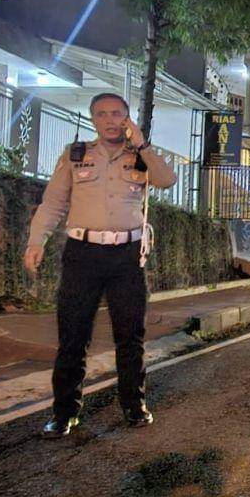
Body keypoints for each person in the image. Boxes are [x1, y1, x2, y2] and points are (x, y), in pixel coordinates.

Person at [24, 93, 177, 437]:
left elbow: (167, 180)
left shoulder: (140, 156)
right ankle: (64, 413)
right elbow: (53, 203)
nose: (110, 120)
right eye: (102, 114)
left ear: (127, 119)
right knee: (73, 336)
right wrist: (36, 241)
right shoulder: (76, 154)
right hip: (82, 255)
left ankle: (134, 406)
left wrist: (143, 145)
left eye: (117, 114)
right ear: (93, 119)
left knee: (130, 336)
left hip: (127, 256)